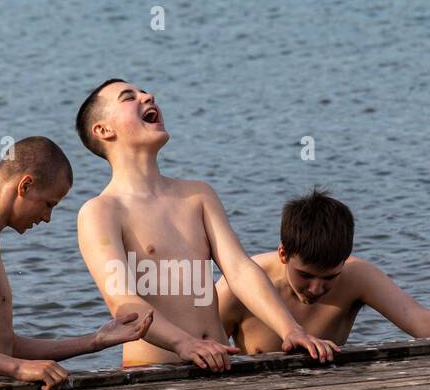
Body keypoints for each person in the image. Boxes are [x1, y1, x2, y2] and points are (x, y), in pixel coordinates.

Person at [74, 79, 338, 371]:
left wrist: (290, 329)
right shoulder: (101, 211)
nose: (148, 96)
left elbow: (239, 270)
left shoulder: (198, 195)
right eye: (129, 97)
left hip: (220, 366)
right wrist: (182, 343)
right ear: (103, 130)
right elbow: (122, 301)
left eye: (145, 92)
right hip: (153, 372)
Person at [0, 136, 151, 390]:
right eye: (49, 204)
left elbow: (5, 347)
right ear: (25, 185)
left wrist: (95, 341)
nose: (47, 218)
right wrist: (19, 368)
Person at [218, 187, 430, 352]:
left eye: (329, 277)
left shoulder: (357, 276)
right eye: (306, 276)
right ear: (283, 253)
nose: (317, 289)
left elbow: (420, 320)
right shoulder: (240, 285)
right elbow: (194, 348)